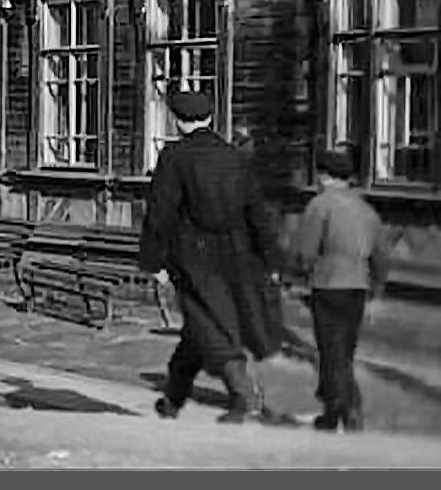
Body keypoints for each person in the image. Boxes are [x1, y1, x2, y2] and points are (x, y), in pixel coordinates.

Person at [140, 91, 285, 423]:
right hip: (237, 255)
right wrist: (270, 258)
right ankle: (173, 399)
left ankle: (244, 395)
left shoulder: (175, 157)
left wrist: (154, 262)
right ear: (209, 118)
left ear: (178, 121)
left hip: (195, 257)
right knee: (198, 330)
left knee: (211, 325)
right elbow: (257, 211)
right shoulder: (234, 156)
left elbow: (160, 213)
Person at [292, 148, 390, 433]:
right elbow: (381, 254)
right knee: (344, 351)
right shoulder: (366, 209)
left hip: (328, 283)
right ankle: (338, 409)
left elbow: (306, 251)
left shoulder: (320, 205)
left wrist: (296, 273)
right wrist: (377, 290)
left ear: (324, 175)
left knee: (331, 350)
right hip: (358, 286)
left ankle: (342, 408)